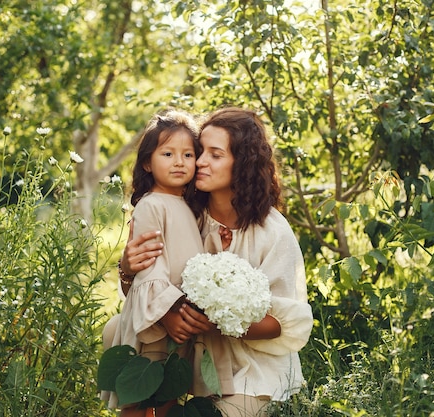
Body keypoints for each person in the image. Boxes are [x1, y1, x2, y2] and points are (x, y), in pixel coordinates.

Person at [121, 107, 314, 417]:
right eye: (200, 152)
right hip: (188, 350)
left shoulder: (272, 231)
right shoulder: (184, 212)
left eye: (215, 155)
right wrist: (128, 268)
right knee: (117, 329)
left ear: (243, 165)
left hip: (251, 363)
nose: (198, 162)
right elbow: (143, 287)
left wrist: (217, 322)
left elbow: (279, 324)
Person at [101, 109, 208, 417]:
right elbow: (150, 268)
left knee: (166, 398)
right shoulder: (151, 205)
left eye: (188, 154)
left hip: (179, 321)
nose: (179, 161)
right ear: (148, 162)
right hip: (156, 320)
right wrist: (170, 313)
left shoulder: (189, 207)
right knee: (138, 399)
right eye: (168, 153)